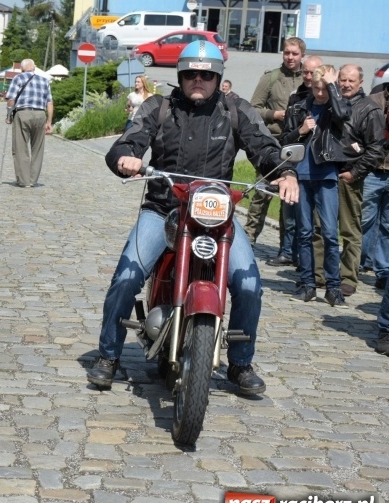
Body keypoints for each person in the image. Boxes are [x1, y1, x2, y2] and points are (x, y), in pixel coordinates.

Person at [87, 41, 299, 395]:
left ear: (217, 77)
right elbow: (129, 140)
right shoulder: (159, 108)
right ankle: (108, 356)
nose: (198, 80)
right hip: (163, 209)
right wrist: (126, 156)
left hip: (217, 217)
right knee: (127, 275)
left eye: (206, 74)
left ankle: (241, 363)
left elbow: (265, 148)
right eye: (191, 74)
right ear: (181, 75)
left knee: (249, 285)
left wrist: (283, 173)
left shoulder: (235, 110)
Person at [311, 64, 385, 296]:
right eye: (342, 79)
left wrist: (355, 173)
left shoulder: (369, 109)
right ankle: (319, 274)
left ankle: (348, 277)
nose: (346, 84)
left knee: (350, 229)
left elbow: (376, 149)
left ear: (360, 83)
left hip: (348, 175)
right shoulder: (331, 102)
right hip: (325, 173)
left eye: (351, 81)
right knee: (320, 226)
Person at [283, 65, 349, 307]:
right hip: (301, 175)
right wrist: (301, 130)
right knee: (304, 232)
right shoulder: (300, 105)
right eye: (317, 88)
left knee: (330, 233)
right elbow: (284, 141)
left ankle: (333, 287)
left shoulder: (335, 106)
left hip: (326, 173)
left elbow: (344, 116)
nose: (320, 93)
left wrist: (334, 87)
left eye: (324, 88)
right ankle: (307, 284)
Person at [243, 37, 305, 252]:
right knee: (262, 194)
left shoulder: (308, 79)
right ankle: (248, 239)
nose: (290, 57)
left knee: (289, 199)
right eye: (287, 53)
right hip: (272, 144)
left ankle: (285, 249)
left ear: (302, 55)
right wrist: (273, 114)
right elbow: (252, 108)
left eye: (294, 54)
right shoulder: (271, 78)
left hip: (297, 146)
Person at [266, 55, 324, 268]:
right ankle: (287, 251)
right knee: (289, 213)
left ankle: (306, 258)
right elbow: (285, 138)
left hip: (319, 166)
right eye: (305, 72)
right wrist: (301, 130)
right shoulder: (296, 98)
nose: (308, 76)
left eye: (313, 72)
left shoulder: (329, 100)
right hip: (296, 162)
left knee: (312, 219)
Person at [5, 58, 54, 188]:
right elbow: (49, 102)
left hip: (23, 113)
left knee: (20, 148)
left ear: (22, 69)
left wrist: (9, 115)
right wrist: (49, 121)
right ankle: (33, 180)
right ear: (34, 67)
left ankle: (24, 181)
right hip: (40, 114)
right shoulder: (45, 81)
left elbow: (11, 100)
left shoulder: (18, 78)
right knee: (37, 148)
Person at [360, 83, 389, 288]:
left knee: (388, 225)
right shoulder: (375, 100)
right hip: (373, 169)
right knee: (365, 219)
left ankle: (383, 271)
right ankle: (359, 262)